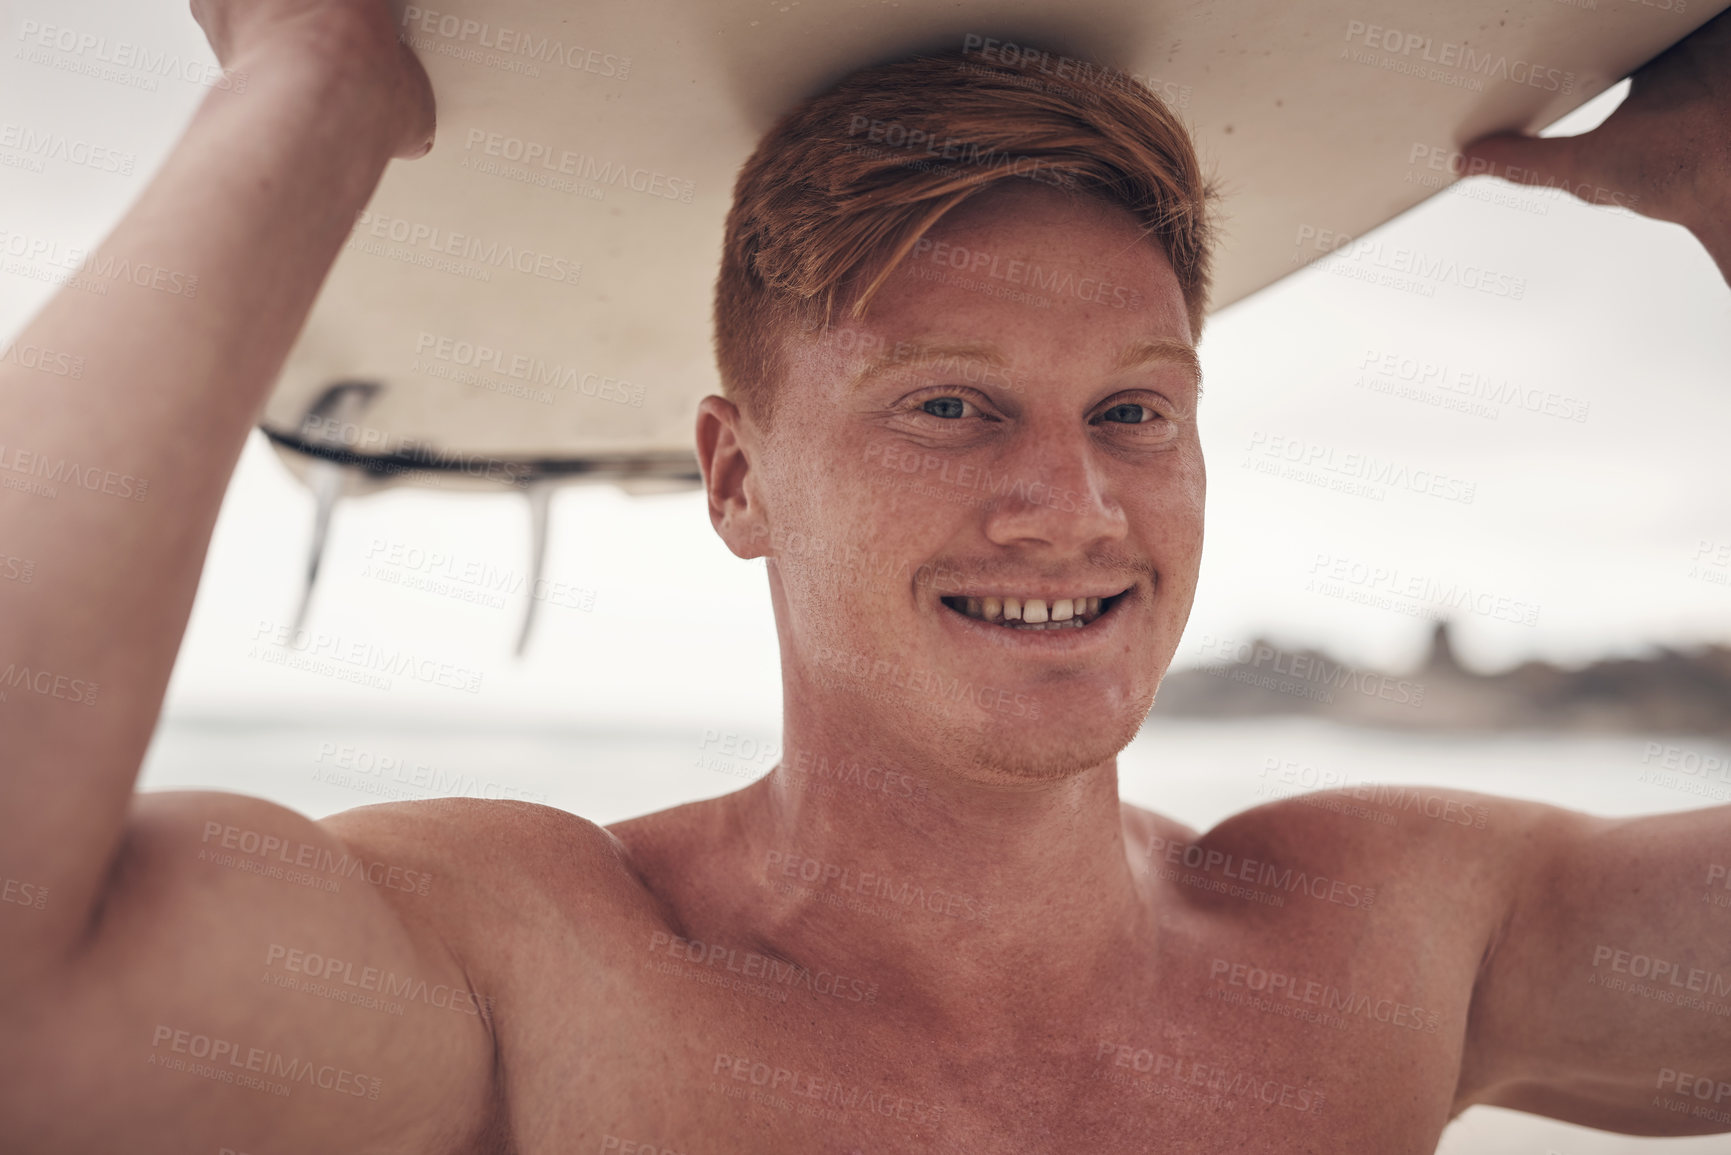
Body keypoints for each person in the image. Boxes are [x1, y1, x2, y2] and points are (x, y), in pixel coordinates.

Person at [1, 2, 1727, 1151]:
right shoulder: (545, 970)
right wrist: (318, 79)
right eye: (949, 406)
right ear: (738, 477)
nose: (1070, 502)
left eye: (1135, 410)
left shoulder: (1387, 942)